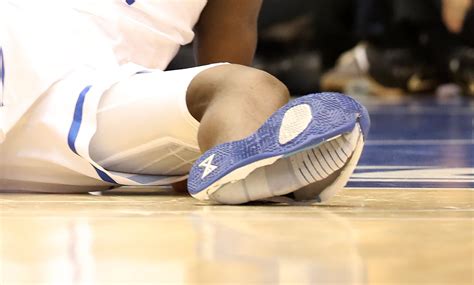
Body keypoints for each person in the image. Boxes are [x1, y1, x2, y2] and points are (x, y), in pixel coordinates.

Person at [0, 0, 369, 204]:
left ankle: (242, 170)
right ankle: (276, 174)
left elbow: (226, 58)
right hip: (14, 45)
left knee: (249, 87)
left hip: (98, 99)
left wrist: (200, 143)